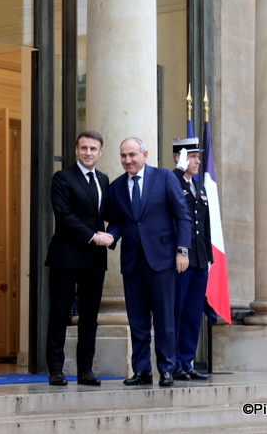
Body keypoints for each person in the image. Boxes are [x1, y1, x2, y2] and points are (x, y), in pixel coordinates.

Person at [106, 137, 191, 387]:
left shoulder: (165, 178)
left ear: (145, 154)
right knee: (137, 320)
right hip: (132, 263)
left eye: (132, 155)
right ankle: (142, 371)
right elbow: (117, 221)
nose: (127, 160)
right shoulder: (116, 187)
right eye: (123, 156)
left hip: (163, 261)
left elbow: (182, 217)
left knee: (164, 319)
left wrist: (182, 251)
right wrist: (110, 236)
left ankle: (166, 369)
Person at [44, 130, 112, 386]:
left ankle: (86, 370)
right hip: (66, 256)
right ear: (76, 150)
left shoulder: (104, 180)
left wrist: (112, 233)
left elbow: (108, 213)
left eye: (93, 149)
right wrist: (93, 236)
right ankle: (56, 370)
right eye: (84, 148)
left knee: (90, 315)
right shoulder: (62, 177)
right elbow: (63, 214)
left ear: (100, 153)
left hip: (94, 260)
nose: (88, 153)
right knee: (60, 313)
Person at [170, 138, 212, 382]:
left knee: (193, 314)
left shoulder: (200, 188)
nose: (197, 161)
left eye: (197, 157)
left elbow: (203, 225)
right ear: (180, 158)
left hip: (198, 260)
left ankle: (187, 361)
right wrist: (177, 170)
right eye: (192, 157)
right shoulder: (172, 182)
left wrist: (209, 257)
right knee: (177, 311)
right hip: (181, 260)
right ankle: (175, 362)